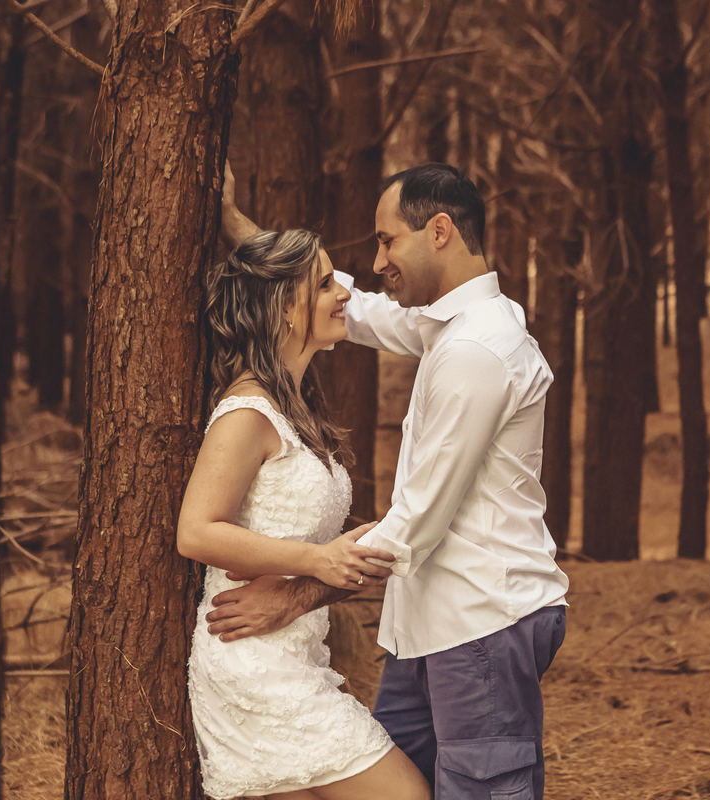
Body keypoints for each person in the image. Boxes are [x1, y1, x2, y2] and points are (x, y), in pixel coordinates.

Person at [211, 163, 570, 799]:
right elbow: (337, 306)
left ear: (440, 231)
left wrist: (293, 596)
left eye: (386, 240)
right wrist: (235, 226)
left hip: (479, 622)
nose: (376, 261)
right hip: (428, 624)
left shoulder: (476, 350)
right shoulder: (448, 326)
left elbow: (417, 523)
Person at [176, 227, 430, 800]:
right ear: (283, 310)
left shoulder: (294, 404)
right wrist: (317, 558)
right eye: (323, 283)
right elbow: (195, 531)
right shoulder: (246, 410)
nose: (344, 290)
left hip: (294, 654)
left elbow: (328, 549)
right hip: (251, 664)